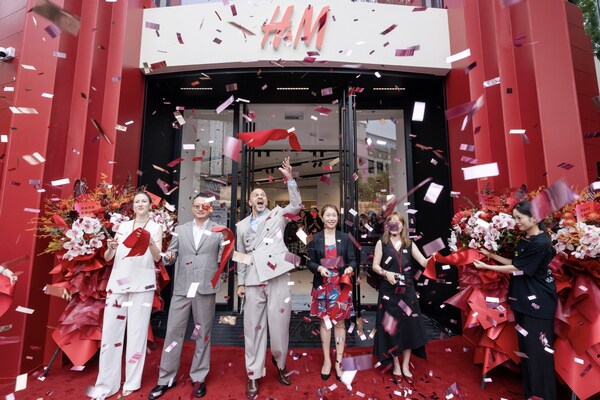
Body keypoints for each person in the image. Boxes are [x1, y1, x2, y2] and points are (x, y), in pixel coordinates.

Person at [473, 200, 557, 399]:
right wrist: (491, 255)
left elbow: (518, 268)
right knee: (527, 353)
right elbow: (516, 262)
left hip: (538, 304)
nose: (516, 221)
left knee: (539, 355)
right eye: (514, 218)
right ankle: (531, 395)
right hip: (523, 302)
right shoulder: (526, 239)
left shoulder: (541, 243)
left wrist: (487, 267)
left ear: (534, 218)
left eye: (519, 218)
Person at [236, 156, 301, 398]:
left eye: (263, 194)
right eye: (256, 195)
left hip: (278, 276)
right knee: (253, 328)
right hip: (253, 279)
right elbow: (241, 256)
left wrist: (290, 179)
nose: (260, 197)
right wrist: (241, 283)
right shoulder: (241, 226)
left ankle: (280, 363)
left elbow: (296, 206)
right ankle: (253, 374)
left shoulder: (278, 215)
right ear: (250, 201)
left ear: (267, 200)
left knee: (280, 324)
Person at [148, 195, 225, 399]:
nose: (200, 208)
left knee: (203, 333)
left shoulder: (219, 231)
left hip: (205, 288)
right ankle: (166, 378)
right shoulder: (180, 230)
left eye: (204, 206)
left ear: (210, 209)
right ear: (192, 208)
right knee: (173, 331)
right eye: (197, 205)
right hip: (182, 288)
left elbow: (223, 259)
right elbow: (170, 256)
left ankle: (199, 377)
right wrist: (169, 256)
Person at [92, 191, 163, 399]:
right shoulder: (122, 226)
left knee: (137, 335)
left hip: (143, 284)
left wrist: (149, 241)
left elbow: (157, 257)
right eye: (137, 201)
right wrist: (110, 248)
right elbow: (109, 257)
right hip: (118, 283)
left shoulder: (156, 227)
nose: (140, 204)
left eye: (144, 201)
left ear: (150, 205)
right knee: (110, 334)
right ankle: (106, 383)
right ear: (132, 206)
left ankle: (132, 381)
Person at [371, 212, 429, 385]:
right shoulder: (382, 243)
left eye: (398, 222)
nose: (395, 224)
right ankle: (396, 364)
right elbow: (375, 266)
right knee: (392, 328)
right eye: (391, 222)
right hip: (388, 291)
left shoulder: (409, 243)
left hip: (407, 291)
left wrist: (441, 256)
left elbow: (424, 262)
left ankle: (405, 365)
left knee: (408, 326)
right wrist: (386, 273)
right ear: (387, 226)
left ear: (403, 226)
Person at [306, 204, 357, 381]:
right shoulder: (315, 238)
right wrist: (319, 268)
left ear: (337, 217)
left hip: (340, 286)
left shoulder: (345, 238)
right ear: (321, 217)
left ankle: (338, 362)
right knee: (325, 323)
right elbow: (309, 262)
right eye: (327, 215)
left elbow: (353, 260)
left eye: (334, 215)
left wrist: (350, 268)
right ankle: (327, 361)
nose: (331, 218)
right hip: (323, 286)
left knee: (340, 323)